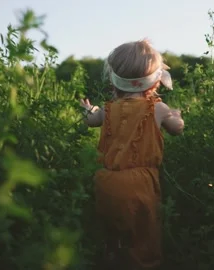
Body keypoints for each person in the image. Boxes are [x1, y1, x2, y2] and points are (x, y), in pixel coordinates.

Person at [79, 39, 184, 270]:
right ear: (155, 82)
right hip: (140, 184)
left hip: (106, 181)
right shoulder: (158, 108)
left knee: (112, 232)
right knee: (143, 236)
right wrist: (176, 116)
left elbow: (90, 120)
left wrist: (89, 110)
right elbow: (177, 130)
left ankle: (112, 259)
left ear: (115, 81)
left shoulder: (107, 110)